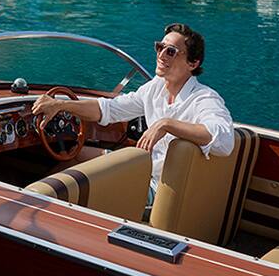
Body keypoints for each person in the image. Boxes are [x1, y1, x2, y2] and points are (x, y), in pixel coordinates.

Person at [32, 23, 233, 189]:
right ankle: (32, 199)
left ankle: (40, 204)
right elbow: (108, 110)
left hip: (158, 188)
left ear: (193, 63)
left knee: (84, 184)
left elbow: (224, 141)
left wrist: (166, 124)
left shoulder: (204, 98)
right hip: (143, 168)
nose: (161, 55)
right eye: (160, 47)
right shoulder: (155, 87)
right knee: (76, 155)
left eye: (171, 51)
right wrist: (61, 105)